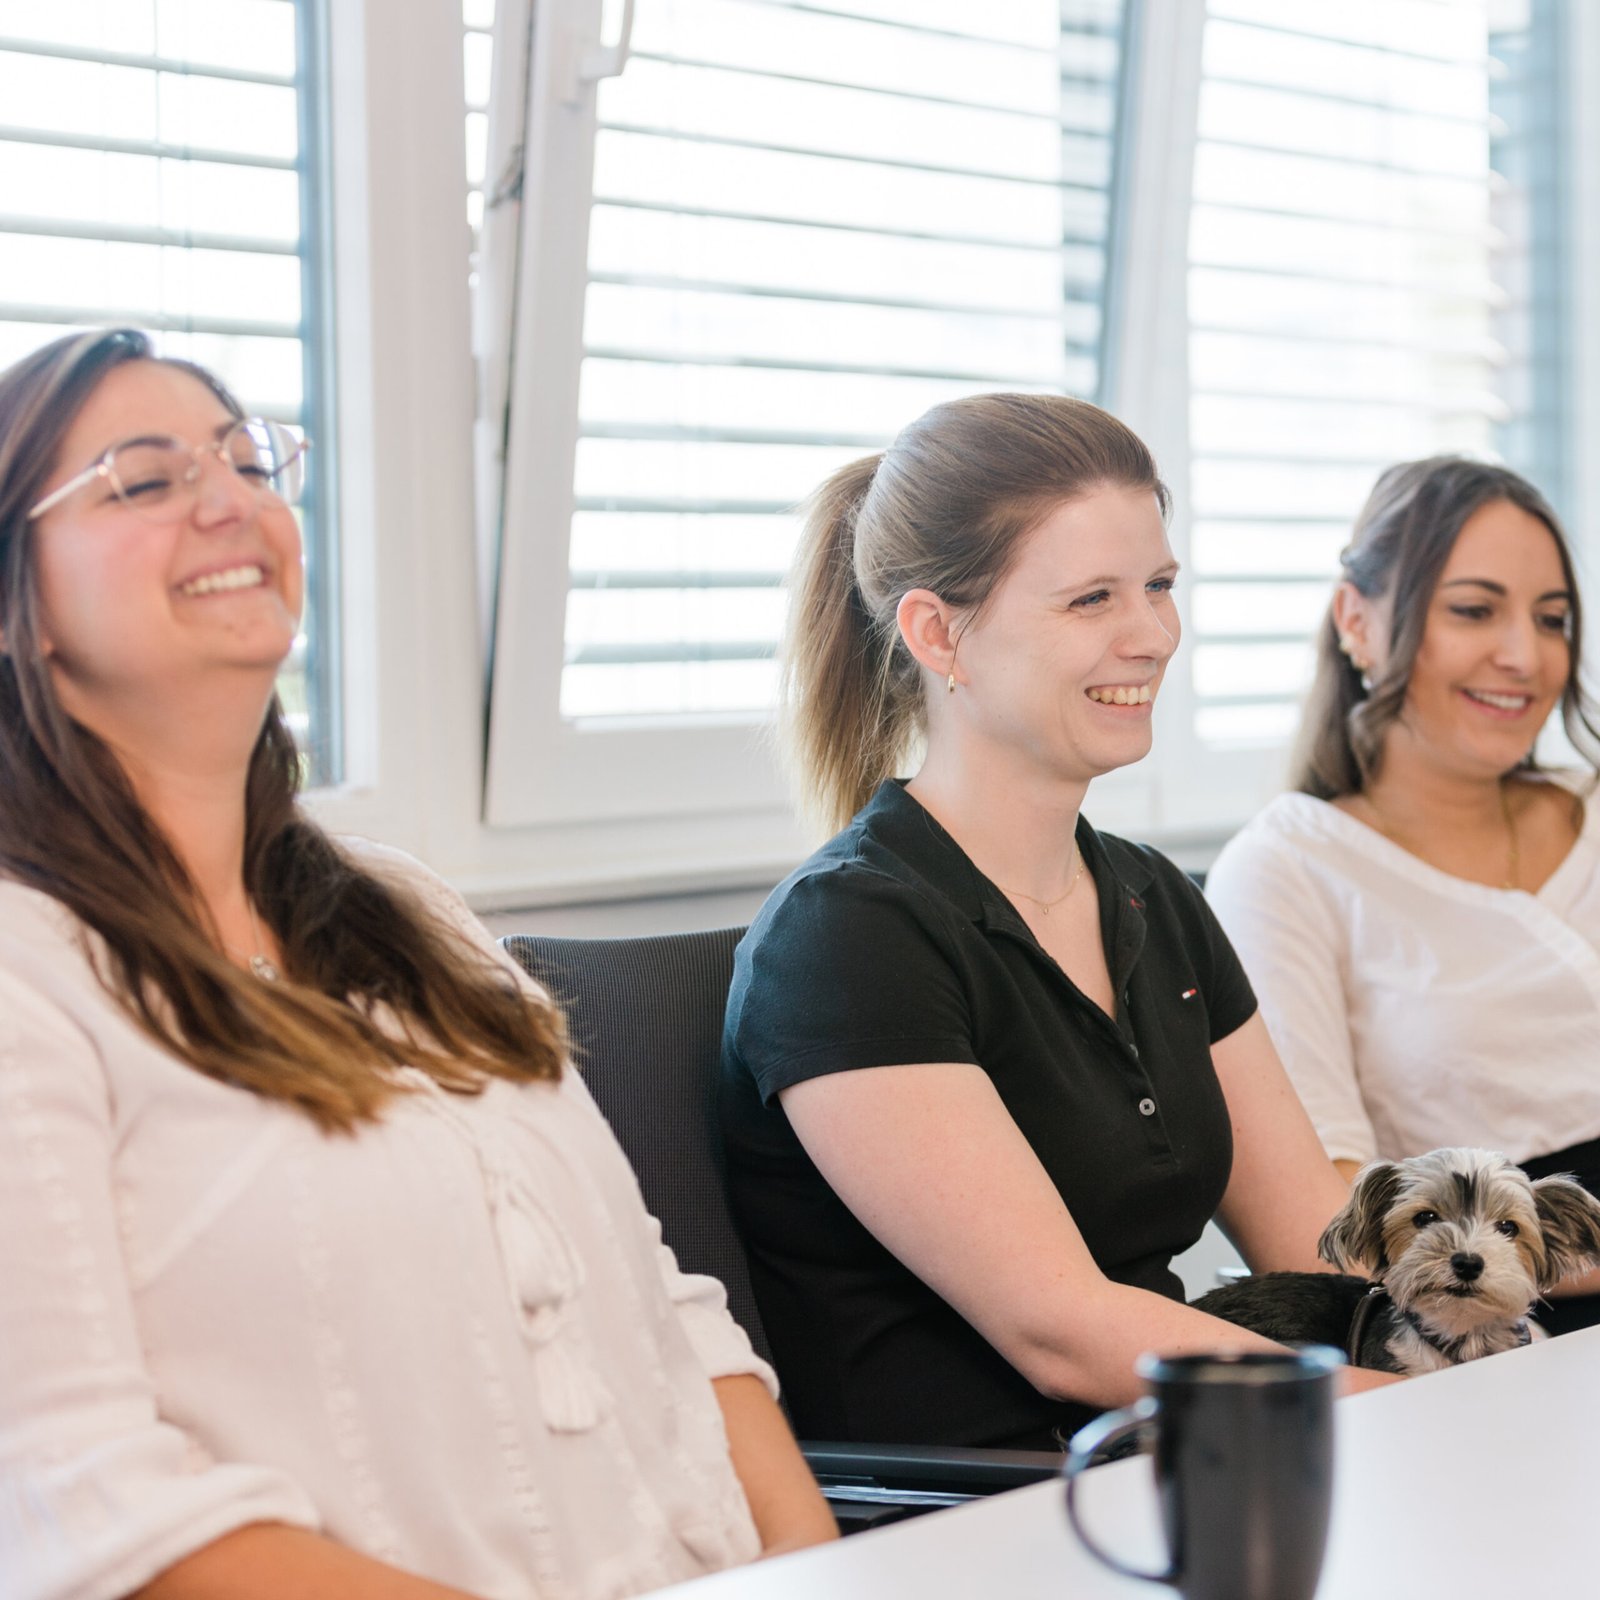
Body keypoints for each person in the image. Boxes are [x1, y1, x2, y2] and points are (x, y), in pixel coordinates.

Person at [0, 328, 835, 1600]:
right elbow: (92, 1516)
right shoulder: (28, 972)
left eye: (247, 459)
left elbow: (660, 1306)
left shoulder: (409, 912)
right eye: (145, 478)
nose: (231, 499)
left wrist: (804, 1580)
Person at [718, 393, 1397, 1454]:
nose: (1154, 634)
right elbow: (1061, 1331)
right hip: (983, 1515)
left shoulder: (1150, 896)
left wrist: (1475, 1356)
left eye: (1160, 586)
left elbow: (1319, 1251)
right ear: (939, 633)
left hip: (1172, 1465)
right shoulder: (846, 938)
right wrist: (1415, 1411)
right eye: (1091, 599)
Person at [1206, 456, 1600, 1334]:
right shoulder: (1286, 871)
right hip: (1515, 1343)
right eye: (1473, 610)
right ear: (1357, 619)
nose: (1524, 656)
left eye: (1553, 618)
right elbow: (1326, 1225)